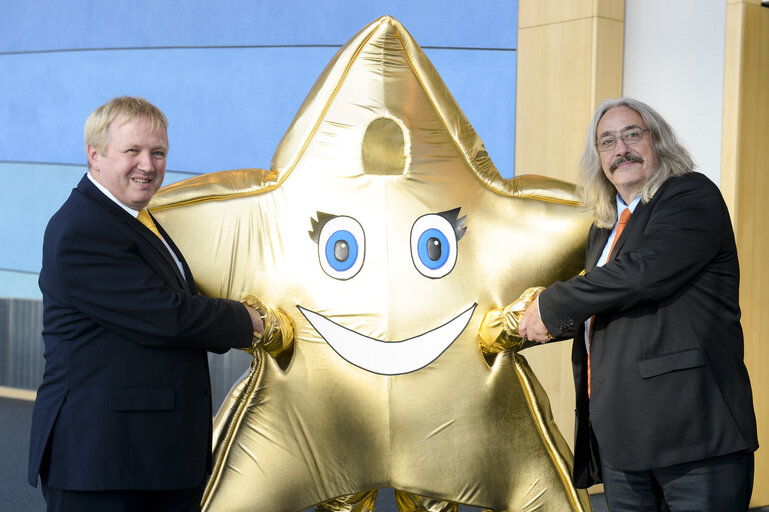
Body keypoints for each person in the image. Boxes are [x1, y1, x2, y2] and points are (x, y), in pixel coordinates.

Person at [518, 97, 758, 511]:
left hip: (693, 437)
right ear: (598, 159)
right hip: (622, 441)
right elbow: (610, 304)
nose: (620, 148)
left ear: (658, 142)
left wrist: (552, 304)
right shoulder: (605, 228)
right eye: (607, 142)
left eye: (632, 134)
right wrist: (523, 321)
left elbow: (640, 274)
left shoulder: (690, 195)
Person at [28, 96, 265, 512]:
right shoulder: (82, 229)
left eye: (158, 153)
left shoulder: (134, 218)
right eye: (132, 151)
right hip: (103, 463)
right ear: (95, 155)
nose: (148, 165)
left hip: (151, 456)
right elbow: (165, 315)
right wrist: (246, 320)